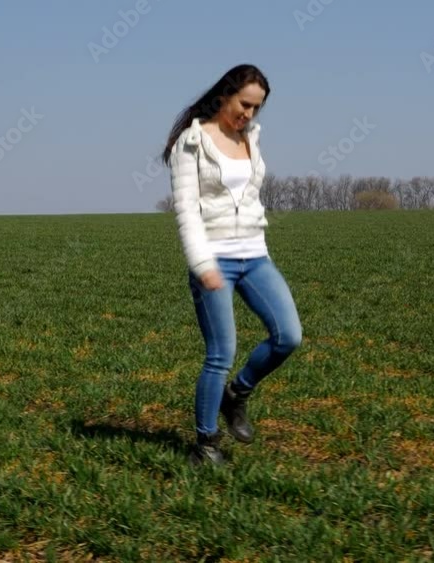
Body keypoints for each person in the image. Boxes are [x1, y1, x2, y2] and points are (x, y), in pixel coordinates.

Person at [161, 64, 303, 467]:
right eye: (244, 104)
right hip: (214, 258)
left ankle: (237, 394)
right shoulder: (191, 142)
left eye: (256, 108)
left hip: (255, 256)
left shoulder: (250, 138)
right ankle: (205, 444)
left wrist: (260, 246)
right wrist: (202, 264)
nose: (249, 114)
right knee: (220, 353)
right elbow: (186, 210)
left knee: (288, 336)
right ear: (224, 94)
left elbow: (250, 199)